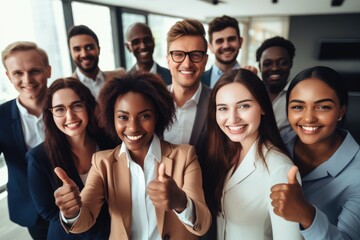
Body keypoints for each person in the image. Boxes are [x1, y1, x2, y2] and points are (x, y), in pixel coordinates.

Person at [53, 72, 211, 240]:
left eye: (144, 116)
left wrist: (181, 201)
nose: (133, 127)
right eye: (123, 117)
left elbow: (203, 224)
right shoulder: (102, 163)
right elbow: (85, 218)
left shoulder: (185, 156)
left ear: (157, 116)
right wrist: (72, 212)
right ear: (112, 118)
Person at [204, 68, 303, 239]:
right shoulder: (227, 153)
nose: (233, 118)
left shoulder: (280, 168)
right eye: (223, 108)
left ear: (263, 107)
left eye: (244, 106)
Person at [270, 66, 360, 240]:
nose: (309, 117)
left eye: (323, 107)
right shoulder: (277, 144)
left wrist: (307, 215)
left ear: (341, 110)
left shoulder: (357, 174)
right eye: (298, 107)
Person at [26, 78, 114, 239]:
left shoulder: (111, 141)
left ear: (88, 106)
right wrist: (71, 213)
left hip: (113, 231)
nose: (70, 116)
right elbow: (47, 211)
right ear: (50, 114)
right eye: (60, 109)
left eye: (77, 106)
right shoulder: (38, 157)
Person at [0, 41, 50, 239]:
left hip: (80, 202)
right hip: (33, 211)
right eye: (18, 73)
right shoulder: (1, 117)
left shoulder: (69, 106)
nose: (27, 79)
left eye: (34, 70)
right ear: (8, 76)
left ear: (48, 70)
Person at [67, 24, 125, 99]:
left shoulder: (120, 76)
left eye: (89, 47)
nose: (84, 54)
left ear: (98, 49)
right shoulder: (67, 89)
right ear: (71, 53)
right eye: (77, 49)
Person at [256, 36, 296, 139]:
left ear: (291, 64)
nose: (274, 68)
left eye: (282, 63)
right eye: (267, 64)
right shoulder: (251, 93)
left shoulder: (299, 95)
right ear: (260, 67)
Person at [201, 15, 242, 88]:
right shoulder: (198, 80)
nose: (226, 46)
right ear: (210, 47)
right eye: (219, 41)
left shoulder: (253, 79)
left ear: (240, 42)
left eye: (231, 39)